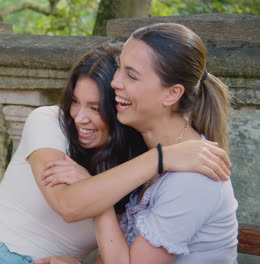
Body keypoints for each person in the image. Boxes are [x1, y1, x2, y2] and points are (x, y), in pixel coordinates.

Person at [0, 42, 232, 264]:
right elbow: (68, 204)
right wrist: (161, 157)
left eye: (94, 107)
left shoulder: (134, 170)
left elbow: (120, 253)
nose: (80, 117)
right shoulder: (49, 123)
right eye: (75, 101)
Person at [38, 23, 238, 264]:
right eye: (119, 69)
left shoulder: (193, 178)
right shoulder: (147, 157)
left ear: (171, 94)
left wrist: (96, 198)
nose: (115, 83)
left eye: (131, 75)